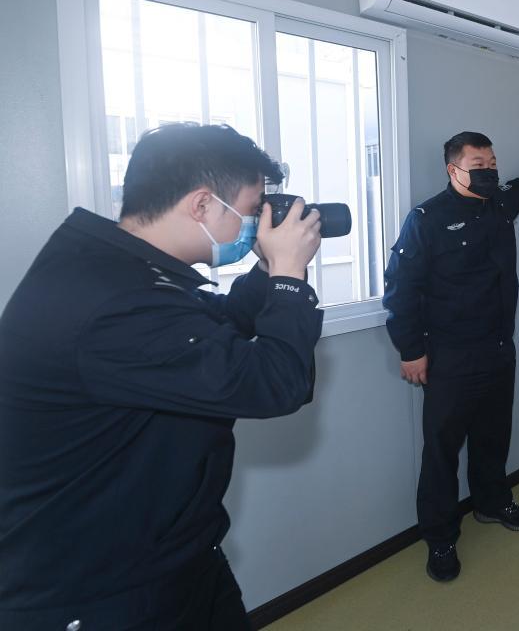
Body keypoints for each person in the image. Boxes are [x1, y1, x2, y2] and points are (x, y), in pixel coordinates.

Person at [0, 123, 324, 631]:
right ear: (202, 205)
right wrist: (289, 278)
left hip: (168, 556)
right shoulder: (111, 304)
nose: (255, 225)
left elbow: (214, 325)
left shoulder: (118, 268)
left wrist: (266, 272)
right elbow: (275, 383)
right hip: (98, 592)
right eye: (250, 210)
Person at [383, 129, 519, 582]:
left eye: (492, 164)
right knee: (442, 452)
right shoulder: (426, 219)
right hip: (449, 357)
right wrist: (411, 350)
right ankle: (440, 538)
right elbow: (399, 289)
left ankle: (492, 503)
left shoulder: (499, 204)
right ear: (453, 169)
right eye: (479, 166)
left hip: (497, 348)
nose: (490, 172)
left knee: (493, 437)